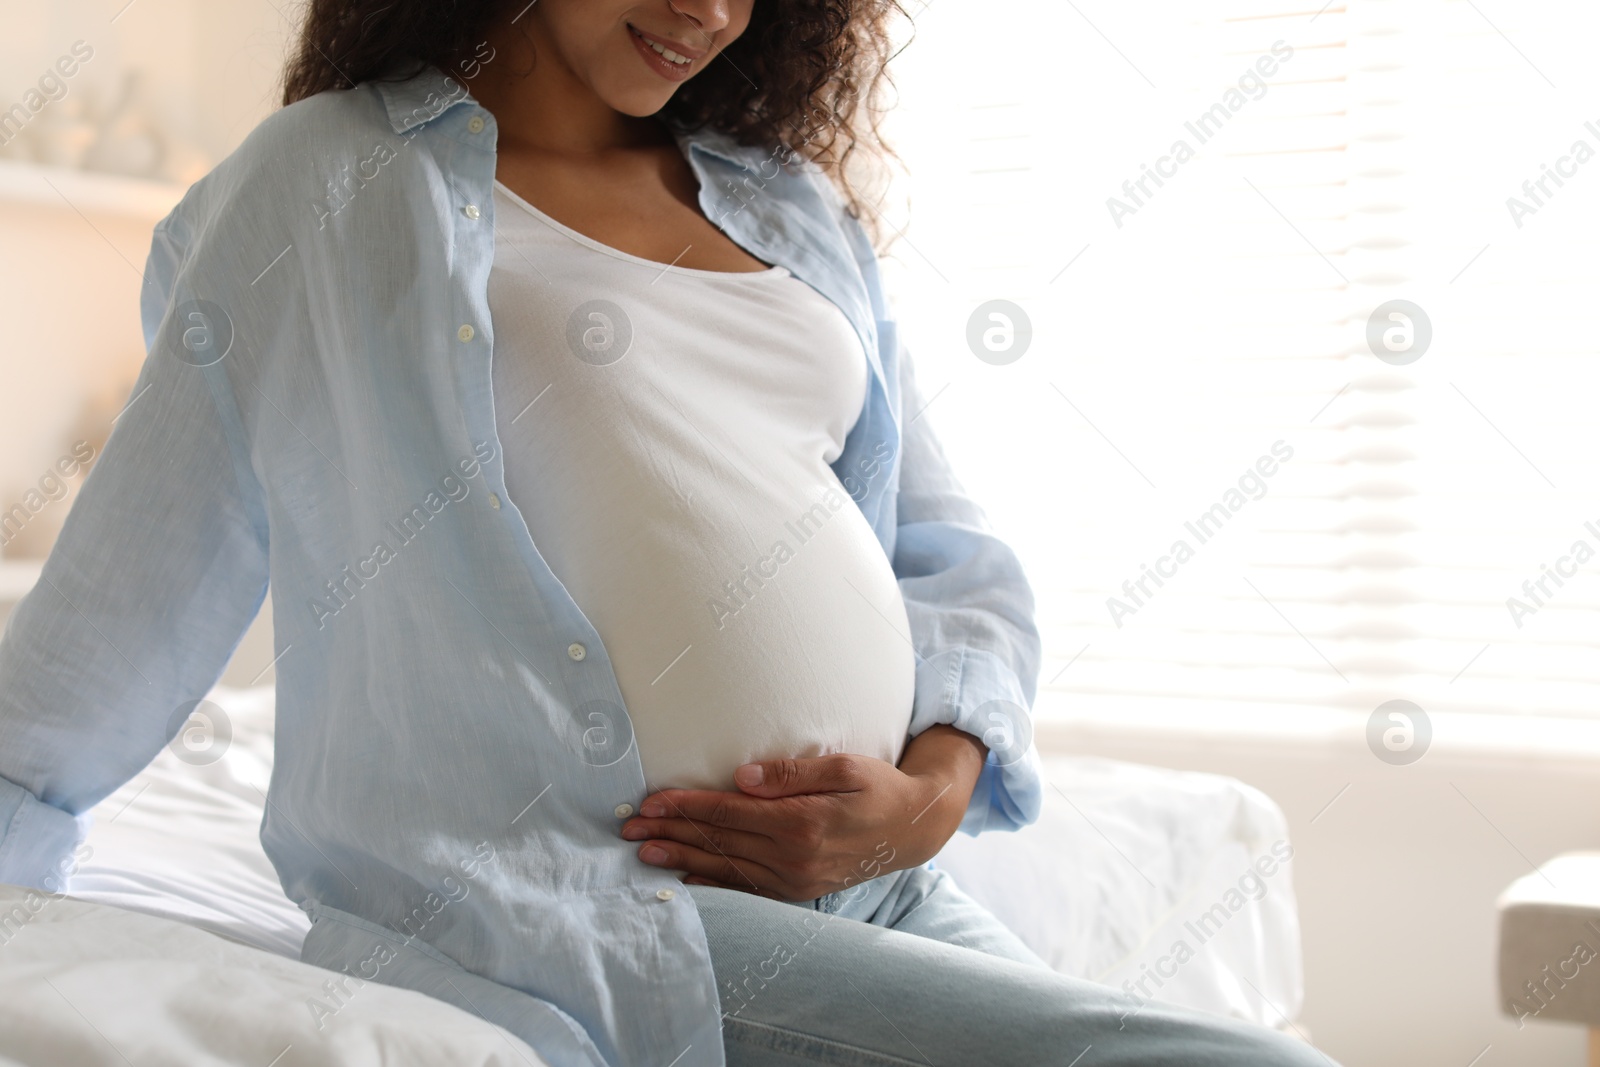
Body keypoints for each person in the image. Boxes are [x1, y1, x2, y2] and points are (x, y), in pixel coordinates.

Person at [0, 1, 1338, 1064]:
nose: (709, 9)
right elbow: (127, 596)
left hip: (877, 890)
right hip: (596, 913)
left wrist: (927, 799)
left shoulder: (788, 209)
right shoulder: (329, 186)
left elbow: (947, 551)